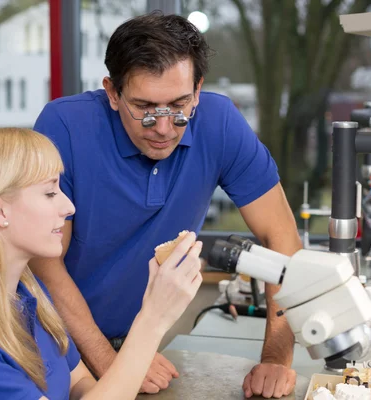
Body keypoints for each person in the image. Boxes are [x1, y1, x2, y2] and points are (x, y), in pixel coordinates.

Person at [31, 11, 302, 399]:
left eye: (180, 105)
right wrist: (113, 361)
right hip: (57, 344)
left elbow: (282, 238)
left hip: (136, 341)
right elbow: (46, 263)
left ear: (198, 89)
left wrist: (276, 356)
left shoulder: (219, 121)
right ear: (112, 92)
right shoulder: (66, 125)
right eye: (144, 108)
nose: (163, 128)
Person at [0, 128, 203, 399]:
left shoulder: (31, 295)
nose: (68, 207)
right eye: (50, 192)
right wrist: (152, 320)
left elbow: (79, 383)